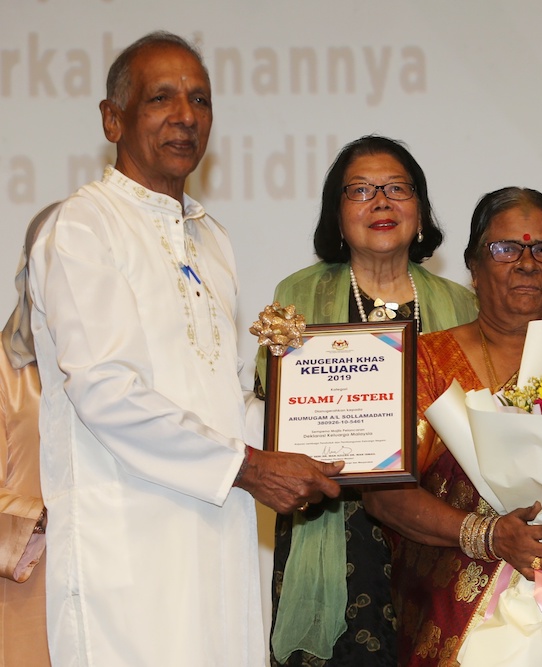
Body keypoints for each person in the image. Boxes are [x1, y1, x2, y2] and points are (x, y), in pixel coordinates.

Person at [26, 31, 344, 666]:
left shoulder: (211, 239)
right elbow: (106, 391)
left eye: (200, 99)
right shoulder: (83, 226)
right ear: (112, 119)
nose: (186, 116)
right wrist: (250, 467)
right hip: (127, 549)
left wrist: (324, 429)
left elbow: (228, 396)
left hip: (217, 537)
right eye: (160, 98)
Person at [364, 187, 542, 666]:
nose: (527, 264)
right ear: (473, 266)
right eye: (506, 248)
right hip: (450, 621)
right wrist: (487, 535)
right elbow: (383, 493)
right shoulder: (423, 362)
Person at [258, 135, 478, 667]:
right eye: (360, 190)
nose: (381, 202)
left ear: (420, 211)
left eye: (397, 188)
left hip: (435, 525)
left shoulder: (461, 304)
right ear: (336, 215)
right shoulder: (298, 296)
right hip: (335, 524)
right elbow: (272, 400)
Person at [0, 204, 56, 667]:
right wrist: (49, 519)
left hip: (117, 583)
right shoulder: (4, 370)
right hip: (29, 587)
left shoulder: (127, 375)